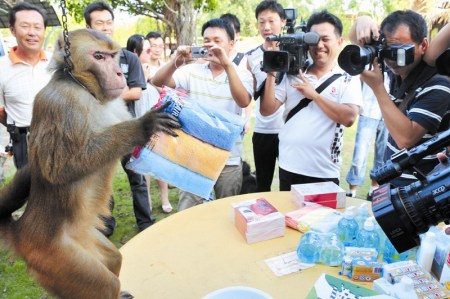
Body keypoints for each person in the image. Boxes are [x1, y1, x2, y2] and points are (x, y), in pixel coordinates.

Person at [151, 18, 253, 211]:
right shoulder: (191, 71)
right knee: (189, 212)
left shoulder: (242, 73)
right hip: (193, 156)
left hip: (228, 158)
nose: (211, 45)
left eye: (217, 40)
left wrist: (227, 65)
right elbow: (158, 81)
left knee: (226, 212)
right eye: (206, 40)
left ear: (231, 44)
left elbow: (243, 101)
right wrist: (176, 61)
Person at [261, 9, 362, 190]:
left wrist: (314, 95)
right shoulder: (292, 73)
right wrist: (271, 72)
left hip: (324, 171)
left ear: (339, 42)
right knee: (290, 218)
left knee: (321, 219)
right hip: (288, 166)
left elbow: (349, 117)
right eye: (313, 39)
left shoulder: (347, 77)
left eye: (325, 39)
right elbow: (267, 109)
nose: (319, 45)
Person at [350, 11, 450, 187]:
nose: (393, 60)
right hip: (395, 185)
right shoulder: (399, 71)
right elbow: (354, 39)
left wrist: (378, 88)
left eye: (401, 52)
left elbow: (405, 139)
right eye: (387, 52)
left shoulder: (439, 85)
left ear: (423, 45)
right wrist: (363, 22)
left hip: (422, 190)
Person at [84, 1, 153, 234]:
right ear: (89, 26)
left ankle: (145, 221)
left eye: (109, 22)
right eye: (99, 23)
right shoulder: (84, 60)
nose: (105, 27)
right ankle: (105, 224)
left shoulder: (127, 58)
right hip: (100, 133)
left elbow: (135, 91)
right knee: (103, 181)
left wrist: (103, 92)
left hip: (129, 129)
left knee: (138, 177)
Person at [0, 2, 52, 169]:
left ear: (44, 30)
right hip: (23, 141)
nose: (32, 33)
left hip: (58, 138)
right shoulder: (2, 68)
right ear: (13, 30)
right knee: (30, 191)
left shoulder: (57, 63)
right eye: (25, 26)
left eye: (37, 27)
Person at [126, 32, 173, 214]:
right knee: (143, 159)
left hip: (158, 114)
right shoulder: (132, 68)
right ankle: (147, 202)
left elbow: (168, 88)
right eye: (151, 46)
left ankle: (164, 198)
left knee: (160, 159)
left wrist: (151, 81)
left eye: (158, 45)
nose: (155, 49)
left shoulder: (161, 68)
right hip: (140, 116)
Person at [246, 0, 286, 192]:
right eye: (262, 22)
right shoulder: (251, 56)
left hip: (290, 131)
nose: (267, 27)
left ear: (283, 22)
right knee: (262, 185)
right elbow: (249, 95)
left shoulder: (296, 52)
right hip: (263, 130)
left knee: (289, 185)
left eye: (271, 20)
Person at [345, 82, 388, 199]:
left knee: (382, 155)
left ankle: (374, 190)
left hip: (389, 112)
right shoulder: (368, 64)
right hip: (368, 109)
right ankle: (352, 191)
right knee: (359, 154)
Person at [219, 13, 252, 135]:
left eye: (230, 30)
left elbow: (248, 94)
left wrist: (247, 119)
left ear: (237, 35)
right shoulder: (210, 59)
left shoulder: (244, 60)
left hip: (235, 119)